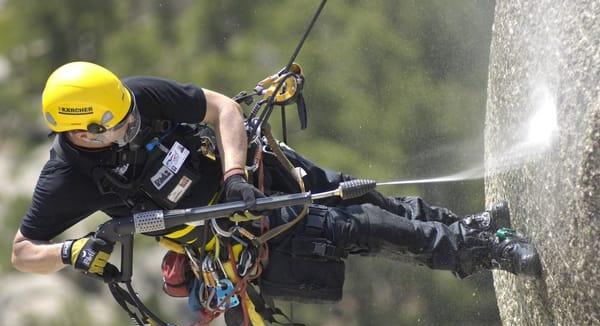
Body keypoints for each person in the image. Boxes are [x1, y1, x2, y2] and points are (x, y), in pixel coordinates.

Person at [11, 61, 541, 308]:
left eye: (129, 114)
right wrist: (71, 252)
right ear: (80, 131)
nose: (133, 124)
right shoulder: (67, 180)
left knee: (366, 197)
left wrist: (237, 173)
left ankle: (467, 228)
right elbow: (21, 251)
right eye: (119, 127)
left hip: (263, 173)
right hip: (244, 234)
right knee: (365, 227)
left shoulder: (137, 97)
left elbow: (221, 108)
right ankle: (486, 249)